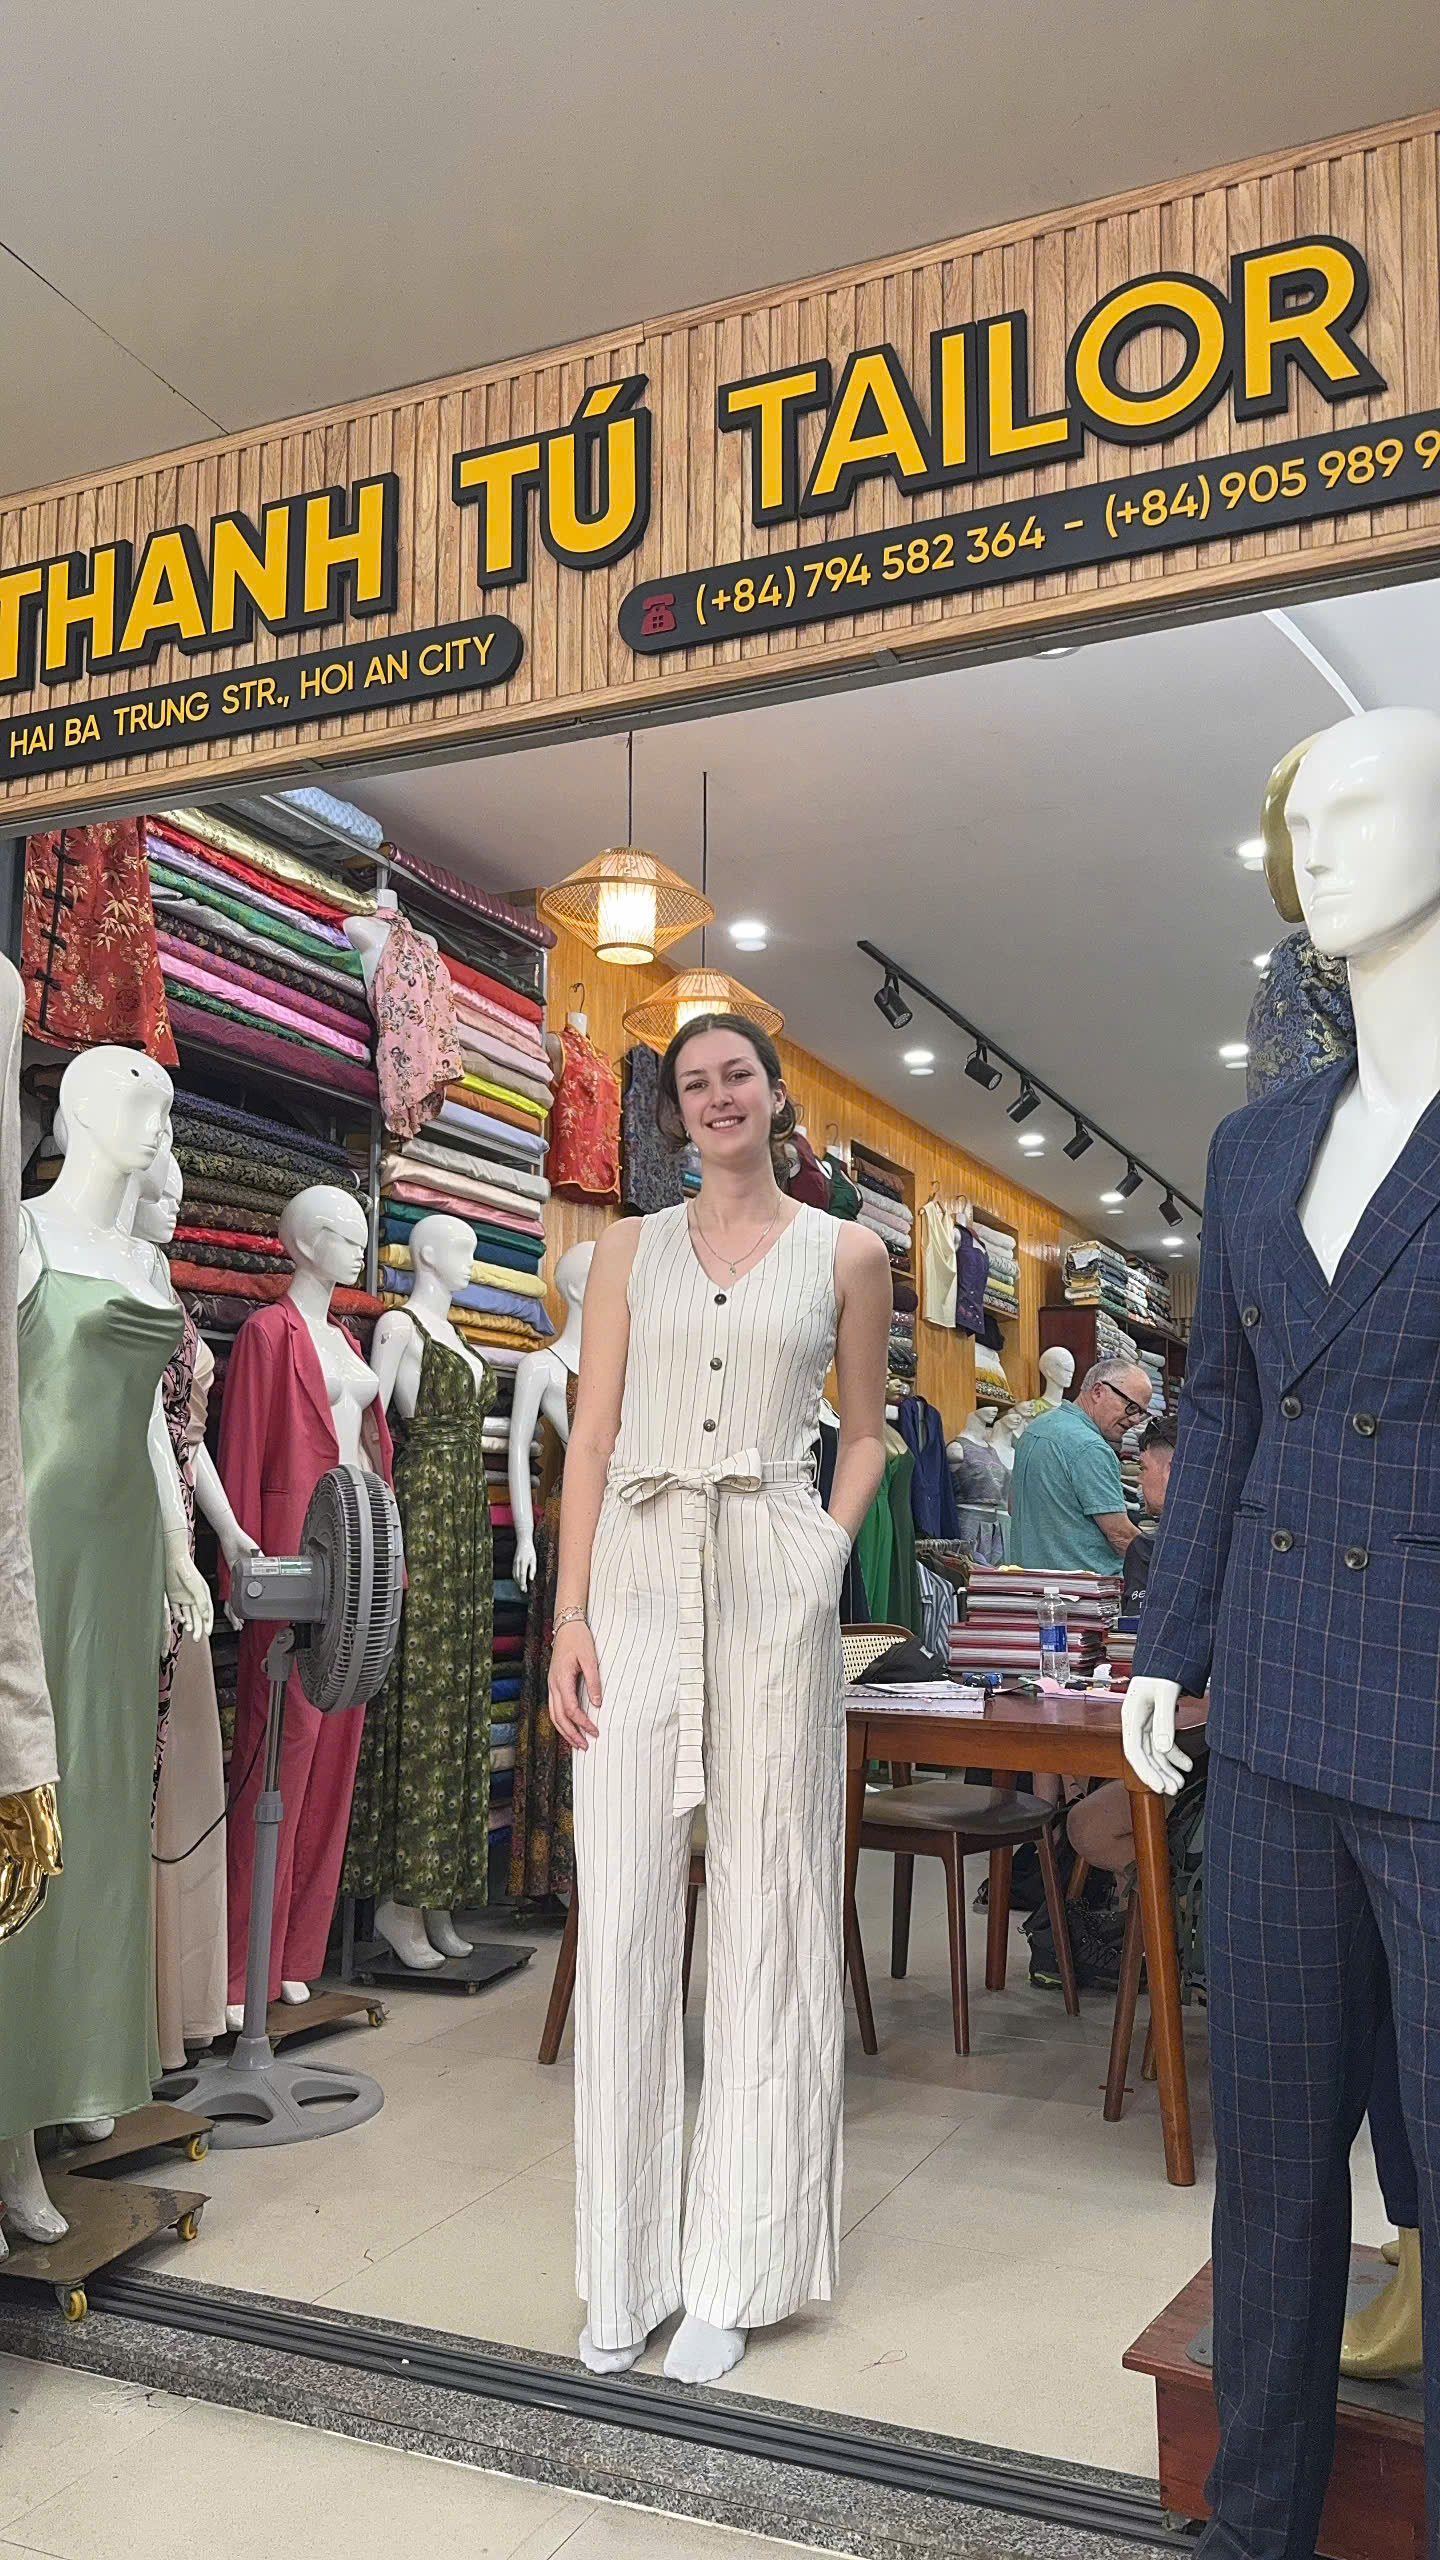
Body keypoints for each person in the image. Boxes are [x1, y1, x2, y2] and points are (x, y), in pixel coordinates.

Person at [546, 1012, 891, 2388]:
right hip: (635, 1580)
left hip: (771, 1582)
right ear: (674, 1113)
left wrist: (821, 1555)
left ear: (776, 1091)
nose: (716, 1097)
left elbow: (865, 1432)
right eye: (693, 1084)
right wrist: (571, 1614)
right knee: (626, 1912)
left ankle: (738, 2269)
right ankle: (622, 2266)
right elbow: (591, 1437)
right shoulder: (626, 1249)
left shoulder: (847, 1252)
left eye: (736, 1074)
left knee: (770, 1908)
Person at [1009, 1356, 1152, 1575]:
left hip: (1028, 1581)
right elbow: (1120, 1536)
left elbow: (1013, 1506)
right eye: (1131, 1407)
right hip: (1085, 1588)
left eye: (1141, 1413)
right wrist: (1165, 1565)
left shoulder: (1034, 1430)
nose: (1135, 1420)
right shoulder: (1091, 1447)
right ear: (1098, 1391)